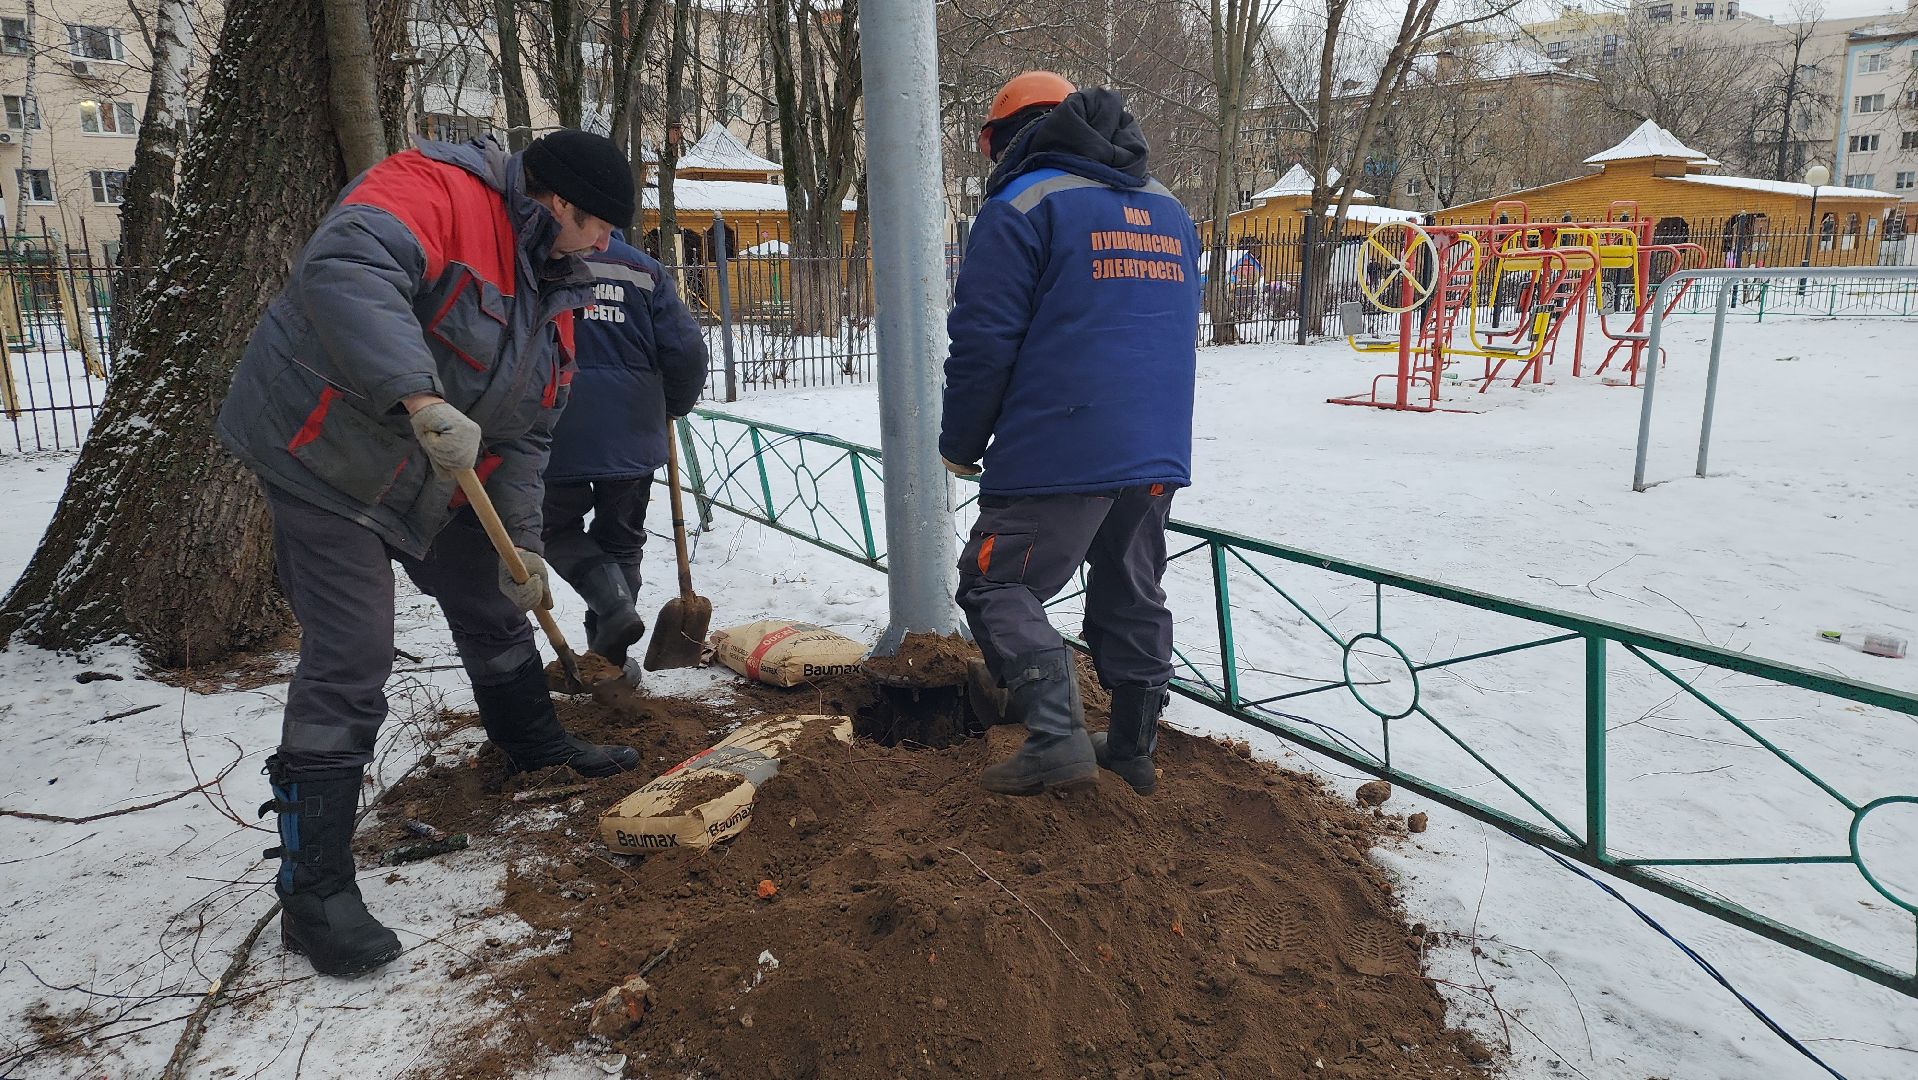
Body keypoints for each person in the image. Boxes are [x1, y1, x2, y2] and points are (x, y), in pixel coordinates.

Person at [217, 130, 641, 977]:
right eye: (599, 228)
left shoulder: (556, 292)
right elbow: (346, 266)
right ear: (559, 204)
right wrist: (415, 392)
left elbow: (526, 438)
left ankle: (529, 742)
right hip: (322, 450)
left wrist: (519, 547)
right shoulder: (436, 191)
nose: (606, 247)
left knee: (492, 597)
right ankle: (315, 888)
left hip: (434, 464)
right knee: (354, 647)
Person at [941, 73, 1201, 797]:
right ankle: (1131, 748)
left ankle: (1055, 739)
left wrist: (961, 441)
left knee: (997, 583)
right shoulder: (1169, 208)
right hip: (1155, 446)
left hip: (1061, 445)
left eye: (992, 143)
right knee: (1131, 585)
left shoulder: (1023, 204)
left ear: (1017, 135)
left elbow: (983, 341)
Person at [541, 231, 708, 666]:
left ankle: (611, 617)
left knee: (553, 529)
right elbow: (688, 351)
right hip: (633, 431)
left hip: (558, 426)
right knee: (622, 542)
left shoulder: (539, 257)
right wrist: (673, 405)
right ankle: (611, 653)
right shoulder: (641, 269)